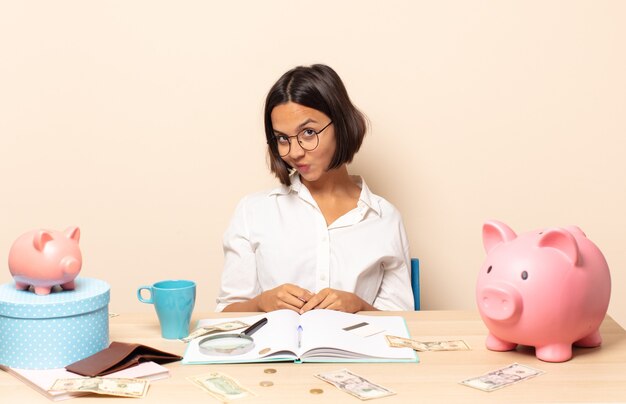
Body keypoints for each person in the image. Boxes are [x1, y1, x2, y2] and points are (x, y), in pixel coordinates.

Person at [216, 64, 413, 313]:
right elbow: (225, 316)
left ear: (340, 124)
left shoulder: (385, 218)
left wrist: (359, 305)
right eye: (282, 138)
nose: (294, 152)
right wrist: (259, 303)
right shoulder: (252, 212)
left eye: (308, 132)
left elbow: (404, 326)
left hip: (358, 352)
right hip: (278, 352)